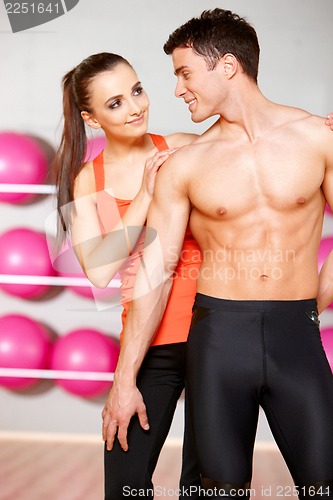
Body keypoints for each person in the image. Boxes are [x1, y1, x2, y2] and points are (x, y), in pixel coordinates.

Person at [103, 9, 333, 500]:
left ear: (227, 66)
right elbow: (154, 271)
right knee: (217, 491)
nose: (178, 89)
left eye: (185, 73)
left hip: (298, 335)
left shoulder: (319, 137)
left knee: (324, 484)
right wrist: (124, 380)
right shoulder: (185, 165)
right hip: (219, 339)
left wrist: (316, 303)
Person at [52, 52, 202, 499]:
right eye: (114, 103)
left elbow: (254, 140)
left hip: (214, 331)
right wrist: (146, 194)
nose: (135, 106)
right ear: (91, 118)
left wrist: (317, 126)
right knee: (125, 485)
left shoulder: (179, 145)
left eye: (136, 90)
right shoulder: (90, 179)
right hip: (148, 343)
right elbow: (100, 269)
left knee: (206, 484)